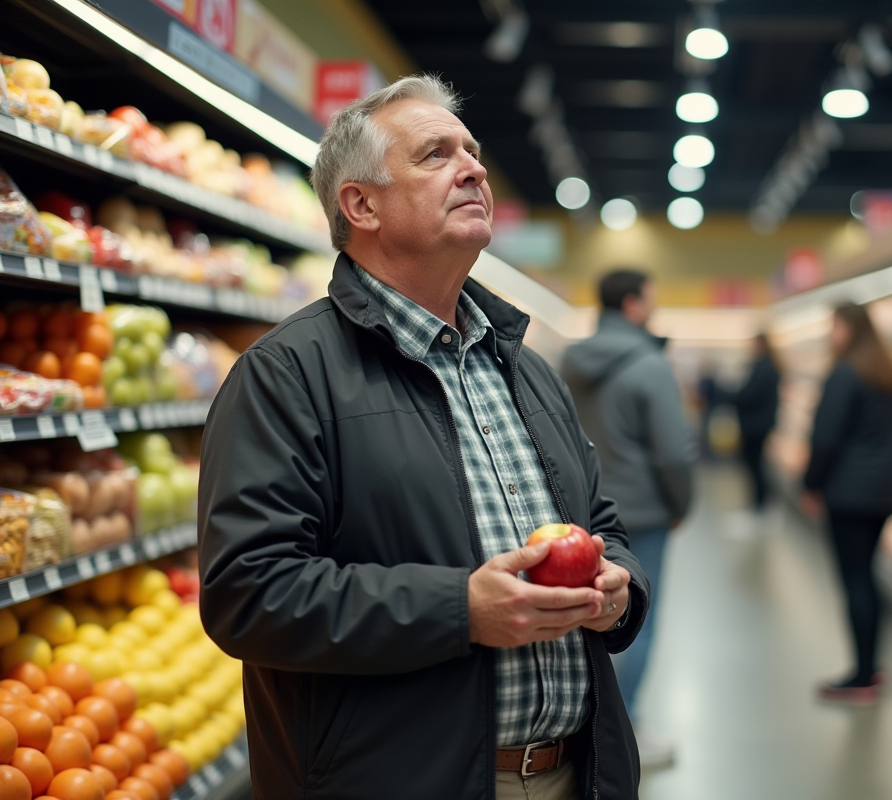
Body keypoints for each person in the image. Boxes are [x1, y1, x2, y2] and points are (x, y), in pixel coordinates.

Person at [197, 75, 648, 800]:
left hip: (575, 774)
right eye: (436, 154)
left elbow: (602, 525)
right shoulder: (285, 376)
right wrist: (459, 610)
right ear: (361, 204)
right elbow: (249, 593)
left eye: (472, 152)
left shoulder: (526, 370)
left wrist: (621, 588)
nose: (473, 168)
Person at [561, 270, 696, 768]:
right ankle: (628, 726)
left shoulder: (569, 361)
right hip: (643, 509)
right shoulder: (649, 364)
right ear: (635, 304)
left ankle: (587, 722)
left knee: (587, 617)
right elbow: (674, 454)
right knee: (636, 614)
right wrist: (681, 505)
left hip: (585, 507)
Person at [803, 303, 892, 705]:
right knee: (868, 576)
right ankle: (872, 667)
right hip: (882, 493)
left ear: (848, 328)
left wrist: (811, 483)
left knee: (855, 581)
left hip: (847, 493)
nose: (831, 335)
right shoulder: (889, 373)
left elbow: (825, 437)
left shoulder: (845, 373)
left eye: (834, 326)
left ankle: (862, 676)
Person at [732, 334, 781, 511]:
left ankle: (760, 506)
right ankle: (761, 504)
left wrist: (729, 395)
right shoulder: (770, 366)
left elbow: (749, 394)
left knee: (755, 466)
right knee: (758, 465)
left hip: (755, 425)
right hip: (761, 424)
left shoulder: (762, 368)